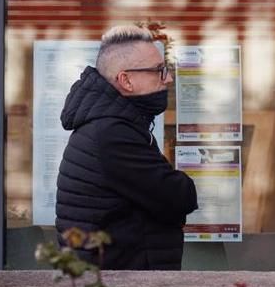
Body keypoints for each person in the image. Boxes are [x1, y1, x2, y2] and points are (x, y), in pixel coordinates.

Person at [55, 24, 199, 270]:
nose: (169, 78)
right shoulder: (113, 134)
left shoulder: (112, 125)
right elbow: (180, 196)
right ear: (126, 80)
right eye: (159, 71)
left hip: (117, 282)